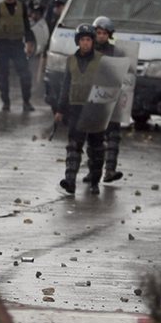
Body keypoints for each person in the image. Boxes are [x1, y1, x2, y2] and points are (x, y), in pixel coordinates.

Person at [54, 24, 106, 196]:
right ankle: (70, 181)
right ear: (78, 42)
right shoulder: (71, 60)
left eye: (88, 40)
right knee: (73, 146)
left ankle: (94, 181)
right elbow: (65, 85)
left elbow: (110, 84)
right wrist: (60, 109)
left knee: (96, 148)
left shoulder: (102, 60)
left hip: (96, 109)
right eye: (82, 40)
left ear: (93, 42)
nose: (85, 43)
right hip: (76, 108)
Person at [0, 0, 35, 113]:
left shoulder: (22, 7)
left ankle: (26, 102)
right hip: (2, 44)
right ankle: (6, 103)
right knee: (3, 76)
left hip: (17, 44)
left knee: (25, 74)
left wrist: (29, 42)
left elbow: (27, 26)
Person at [91, 16, 124, 183]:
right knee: (93, 138)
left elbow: (126, 74)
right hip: (93, 99)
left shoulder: (117, 52)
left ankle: (110, 170)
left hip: (112, 97)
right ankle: (93, 171)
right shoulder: (88, 51)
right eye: (98, 32)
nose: (101, 36)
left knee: (113, 136)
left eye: (104, 33)